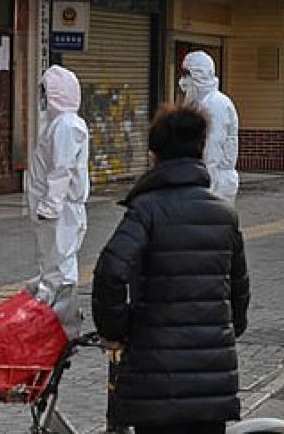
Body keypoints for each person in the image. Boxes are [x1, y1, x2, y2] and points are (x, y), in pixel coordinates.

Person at [92, 104, 250, 434]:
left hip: (155, 380)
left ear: (155, 156)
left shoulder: (146, 210)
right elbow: (238, 292)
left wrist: (116, 330)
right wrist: (223, 333)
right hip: (211, 383)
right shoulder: (225, 215)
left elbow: (110, 270)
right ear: (200, 150)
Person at [26, 65, 90, 339]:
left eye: (45, 91)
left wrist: (50, 207)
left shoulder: (66, 126)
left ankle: (61, 326)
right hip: (58, 211)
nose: (42, 97)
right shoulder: (62, 124)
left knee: (59, 268)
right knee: (56, 265)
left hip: (60, 212)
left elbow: (61, 169)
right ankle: (57, 321)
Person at [179, 50, 240, 205]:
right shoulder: (200, 103)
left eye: (187, 74)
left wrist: (204, 185)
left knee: (212, 226)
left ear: (199, 74)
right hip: (206, 178)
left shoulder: (215, 104)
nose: (183, 81)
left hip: (216, 181)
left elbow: (212, 149)